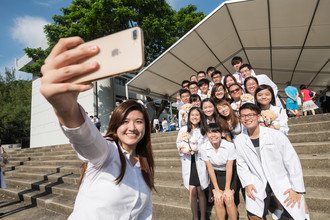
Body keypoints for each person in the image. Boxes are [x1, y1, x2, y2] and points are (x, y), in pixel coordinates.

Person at [40, 37, 155, 219]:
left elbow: (145, 213)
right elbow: (86, 138)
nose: (132, 127)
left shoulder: (144, 165)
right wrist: (66, 108)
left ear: (146, 127)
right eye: (125, 121)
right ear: (115, 125)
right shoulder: (106, 152)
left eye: (139, 121)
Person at [234, 103, 307, 220]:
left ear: (258, 117)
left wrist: (297, 189)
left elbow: (292, 161)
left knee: (295, 213)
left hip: (281, 179)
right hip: (257, 180)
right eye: (243, 116)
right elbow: (241, 164)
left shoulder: (275, 135)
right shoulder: (239, 140)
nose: (247, 118)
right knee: (253, 215)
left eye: (251, 115)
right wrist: (247, 183)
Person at [176, 107, 209, 220]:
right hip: (189, 162)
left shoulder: (204, 130)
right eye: (192, 115)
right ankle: (195, 217)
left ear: (201, 117)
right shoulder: (183, 129)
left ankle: (203, 217)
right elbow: (178, 143)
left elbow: (207, 146)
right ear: (189, 117)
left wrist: (196, 149)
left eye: (197, 115)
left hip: (200, 162)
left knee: (200, 190)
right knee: (192, 191)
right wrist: (183, 149)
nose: (195, 117)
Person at [201, 123, 237, 220]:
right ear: (206, 135)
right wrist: (216, 189)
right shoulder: (203, 148)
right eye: (210, 132)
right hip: (215, 175)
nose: (213, 135)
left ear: (221, 134)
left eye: (216, 132)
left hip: (229, 174)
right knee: (218, 199)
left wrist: (227, 188)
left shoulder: (229, 146)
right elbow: (210, 169)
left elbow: (230, 167)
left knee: (228, 199)